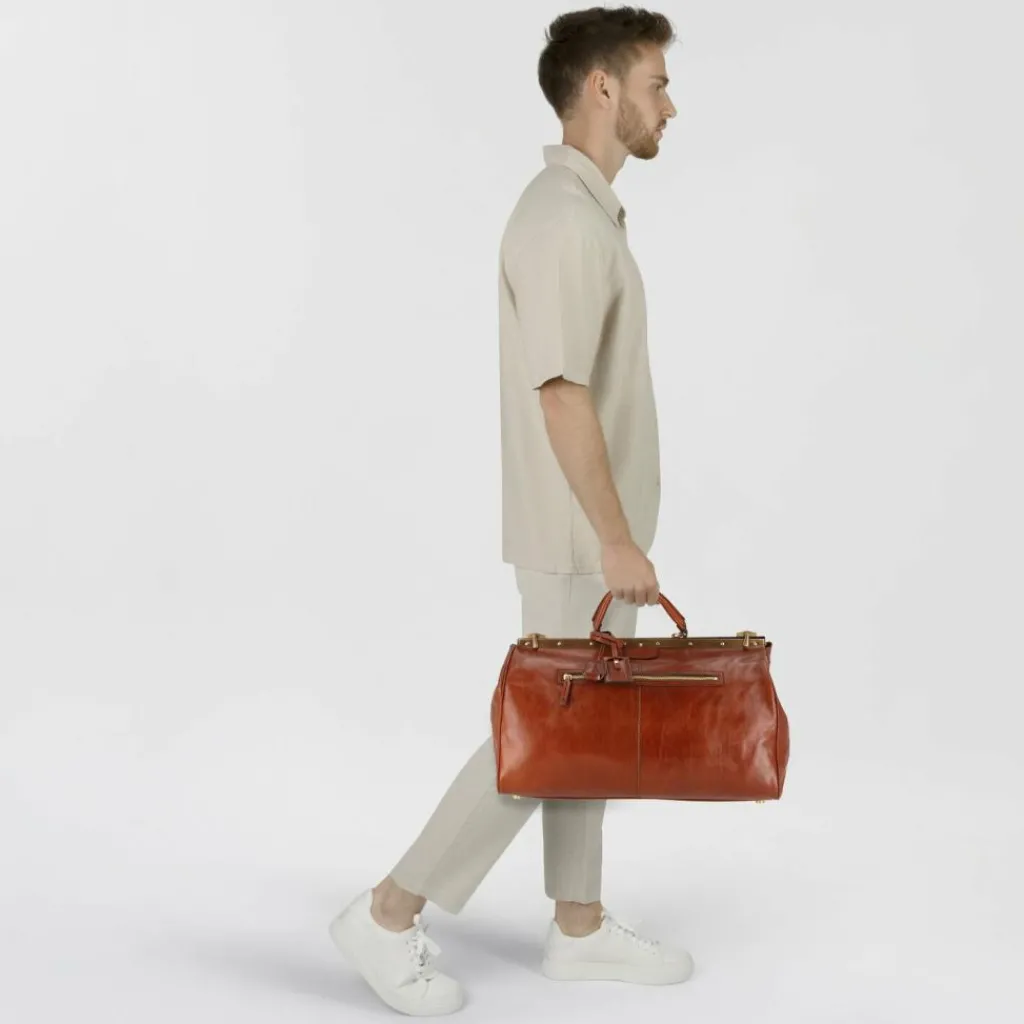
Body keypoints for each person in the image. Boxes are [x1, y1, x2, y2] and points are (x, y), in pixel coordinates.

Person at [329, 7, 689, 1015]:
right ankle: (388, 913)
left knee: (579, 724)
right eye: (657, 84)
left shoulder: (581, 213)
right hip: (581, 533)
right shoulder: (564, 221)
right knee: (543, 734)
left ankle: (578, 925)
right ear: (603, 89)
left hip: (587, 530)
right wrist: (614, 539)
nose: (671, 105)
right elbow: (561, 394)